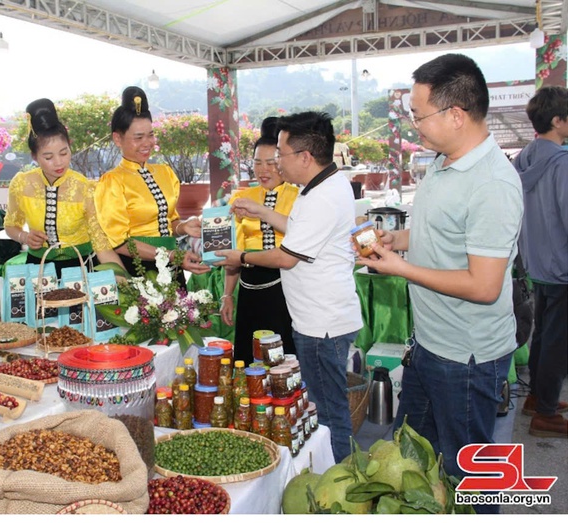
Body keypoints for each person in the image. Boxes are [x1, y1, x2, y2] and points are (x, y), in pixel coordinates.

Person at [355, 54, 523, 512]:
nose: (414, 126)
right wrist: (398, 239)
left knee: (471, 478)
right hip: (430, 344)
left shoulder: (492, 184)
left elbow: (484, 284)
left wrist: (400, 267)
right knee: (413, 464)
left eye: (418, 115)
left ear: (455, 114)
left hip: (467, 357)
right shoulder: (446, 163)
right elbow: (442, 234)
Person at [214, 111, 362, 463]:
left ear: (304, 157)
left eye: (280, 154)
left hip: (321, 323)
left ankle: (338, 481)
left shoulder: (321, 197)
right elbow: (298, 229)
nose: (276, 162)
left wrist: (241, 256)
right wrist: (261, 212)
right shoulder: (323, 185)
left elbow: (285, 257)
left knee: (327, 412)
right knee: (319, 404)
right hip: (320, 317)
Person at [94, 86, 209, 279]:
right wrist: (170, 256)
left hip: (175, 262)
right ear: (117, 138)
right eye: (138, 137)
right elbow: (119, 242)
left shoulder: (165, 173)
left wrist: (183, 227)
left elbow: (169, 220)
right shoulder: (112, 182)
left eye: (150, 135)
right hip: (139, 268)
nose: (147, 143)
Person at [3, 98, 124, 278]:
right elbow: (11, 226)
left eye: (64, 152)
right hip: (39, 270)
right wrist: (25, 237)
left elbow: (101, 245)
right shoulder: (22, 184)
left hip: (81, 269)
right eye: (48, 157)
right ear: (34, 156)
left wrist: (127, 285)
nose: (59, 162)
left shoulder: (85, 188)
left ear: (70, 147)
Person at [512, 85, 568, 437]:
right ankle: (545, 414)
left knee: (544, 335)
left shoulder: (525, 157)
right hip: (562, 264)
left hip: (537, 262)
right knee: (558, 341)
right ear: (559, 121)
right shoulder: (561, 162)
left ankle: (537, 397)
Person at [220, 117, 299, 365]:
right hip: (249, 288)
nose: (263, 170)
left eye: (271, 163)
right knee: (247, 356)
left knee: (282, 359)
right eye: (257, 163)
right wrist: (227, 295)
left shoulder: (299, 197)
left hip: (285, 290)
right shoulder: (243, 198)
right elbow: (235, 250)